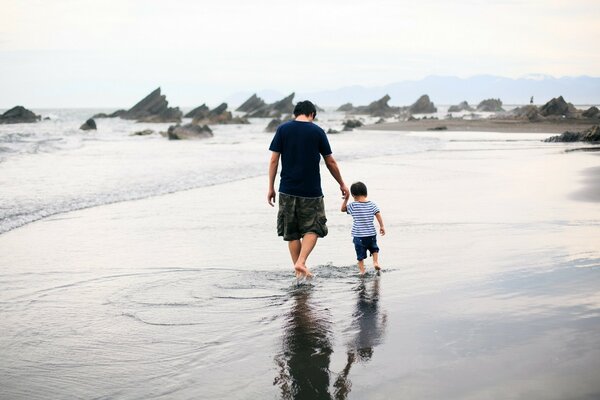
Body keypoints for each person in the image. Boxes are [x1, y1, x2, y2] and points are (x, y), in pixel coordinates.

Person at [268, 100, 349, 278]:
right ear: (312, 114)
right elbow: (330, 162)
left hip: (287, 189)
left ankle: (299, 274)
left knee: (292, 232)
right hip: (311, 191)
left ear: (296, 113)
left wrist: (271, 187)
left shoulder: (283, 129)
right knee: (313, 228)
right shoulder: (317, 131)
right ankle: (301, 262)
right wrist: (341, 183)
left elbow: (274, 160)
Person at [341, 181, 385, 275]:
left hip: (359, 235)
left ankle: (362, 271)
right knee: (374, 249)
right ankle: (375, 262)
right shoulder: (372, 204)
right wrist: (382, 226)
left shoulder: (353, 205)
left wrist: (346, 199)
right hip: (371, 234)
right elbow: (378, 215)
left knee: (360, 255)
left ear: (353, 195)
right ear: (366, 192)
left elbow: (343, 209)